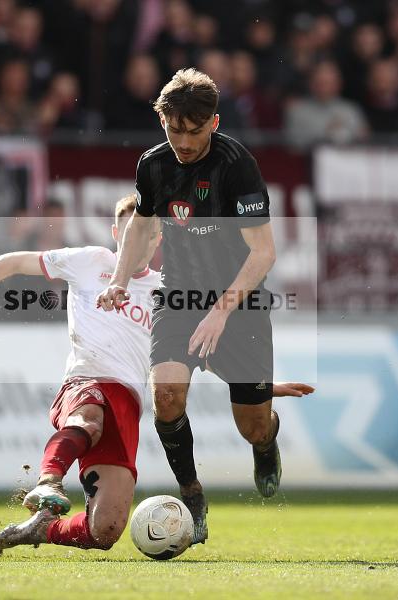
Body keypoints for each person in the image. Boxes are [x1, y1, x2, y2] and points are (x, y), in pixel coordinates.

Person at [0, 195, 313, 555]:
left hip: (130, 405)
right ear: (116, 231)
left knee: (104, 530)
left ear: (160, 240)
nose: (138, 238)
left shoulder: (165, 291)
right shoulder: (91, 261)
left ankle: (42, 530)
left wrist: (256, 388)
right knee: (88, 416)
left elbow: (197, 355)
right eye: (130, 228)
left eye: (150, 233)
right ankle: (49, 482)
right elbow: (10, 263)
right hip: (86, 381)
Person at [95, 68, 281, 545]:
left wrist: (221, 311)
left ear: (214, 123)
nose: (182, 140)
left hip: (240, 303)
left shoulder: (237, 165)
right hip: (178, 296)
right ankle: (192, 495)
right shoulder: (153, 165)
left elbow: (263, 252)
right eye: (173, 129)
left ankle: (267, 441)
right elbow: (141, 225)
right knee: (167, 396)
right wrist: (119, 278)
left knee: (253, 424)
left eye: (193, 131)